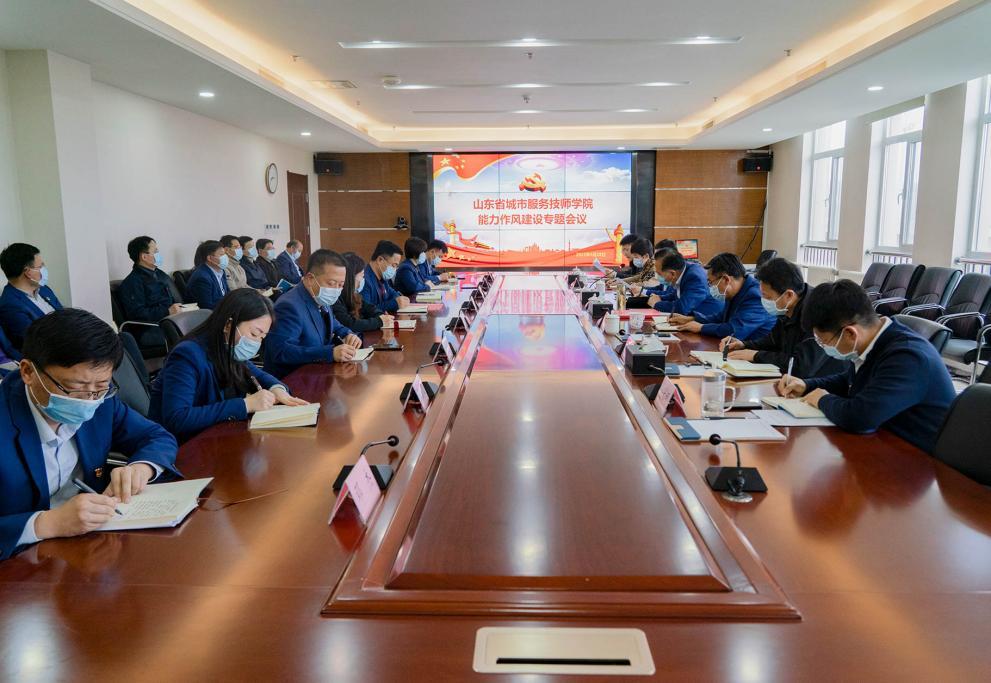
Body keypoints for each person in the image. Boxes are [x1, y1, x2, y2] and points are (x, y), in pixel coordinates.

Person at [0, 308, 179, 560]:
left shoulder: (101, 400)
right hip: (20, 563)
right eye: (75, 387)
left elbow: (156, 436)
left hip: (90, 547)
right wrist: (46, 523)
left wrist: (141, 468)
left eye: (101, 387)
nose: (89, 400)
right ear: (28, 372)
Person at [777, 280, 956, 453]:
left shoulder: (907, 357)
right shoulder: (877, 340)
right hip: (882, 441)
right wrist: (807, 385)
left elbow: (861, 417)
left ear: (850, 333)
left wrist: (823, 400)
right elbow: (848, 381)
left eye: (824, 342)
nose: (824, 348)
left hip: (916, 458)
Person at [149, 289, 308, 442]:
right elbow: (177, 418)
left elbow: (256, 373)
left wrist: (277, 389)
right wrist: (246, 405)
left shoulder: (229, 346)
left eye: (262, 337)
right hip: (185, 445)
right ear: (228, 325)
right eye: (254, 334)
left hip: (216, 435)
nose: (256, 343)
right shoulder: (187, 355)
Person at [720, 258, 848, 379]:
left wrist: (756, 355)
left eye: (768, 297)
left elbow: (800, 366)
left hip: (821, 384)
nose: (764, 301)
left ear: (789, 295)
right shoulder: (787, 307)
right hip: (793, 380)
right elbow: (773, 341)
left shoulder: (818, 313)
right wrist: (744, 345)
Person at [264, 249, 364, 378]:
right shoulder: (289, 306)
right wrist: (329, 353)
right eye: (332, 283)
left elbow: (333, 323)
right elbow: (281, 351)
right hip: (293, 380)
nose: (336, 290)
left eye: (341, 285)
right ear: (311, 278)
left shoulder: (319, 296)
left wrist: (347, 334)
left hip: (319, 375)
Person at [670, 252, 775, 340]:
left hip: (755, 354)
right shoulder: (736, 291)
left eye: (711, 282)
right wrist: (691, 319)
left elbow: (734, 330)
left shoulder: (756, 296)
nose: (710, 287)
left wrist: (701, 327)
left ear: (726, 279)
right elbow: (720, 317)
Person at [117, 236, 182, 348]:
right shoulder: (132, 282)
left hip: (170, 321)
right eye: (155, 251)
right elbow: (138, 314)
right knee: (193, 335)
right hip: (151, 329)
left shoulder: (159, 274)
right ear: (144, 257)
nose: (159, 254)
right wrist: (167, 311)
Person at [0, 243, 64, 350]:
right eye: (41, 266)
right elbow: (37, 343)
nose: (44, 269)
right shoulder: (10, 306)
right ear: (28, 272)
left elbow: (64, 316)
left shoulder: (44, 289)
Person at [332, 252, 394, 333]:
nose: (363, 279)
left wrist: (381, 315)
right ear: (351, 277)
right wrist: (378, 321)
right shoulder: (335, 298)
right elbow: (350, 324)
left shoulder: (355, 295)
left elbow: (369, 308)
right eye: (362, 275)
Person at [647, 250, 723, 317]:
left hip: (709, 320)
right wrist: (660, 298)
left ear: (672, 273)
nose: (658, 277)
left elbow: (682, 308)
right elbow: (676, 295)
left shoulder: (694, 277)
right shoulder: (682, 270)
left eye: (659, 274)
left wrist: (656, 304)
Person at [361, 240, 410, 314]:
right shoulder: (363, 280)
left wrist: (399, 299)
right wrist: (394, 303)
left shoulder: (382, 276)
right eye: (393, 265)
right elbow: (366, 311)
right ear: (380, 260)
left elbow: (392, 293)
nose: (395, 269)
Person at [184, 240, 230, 310]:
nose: (225, 257)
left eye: (224, 254)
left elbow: (228, 295)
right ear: (209, 258)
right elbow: (207, 307)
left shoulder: (221, 271)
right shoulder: (202, 277)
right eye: (221, 255)